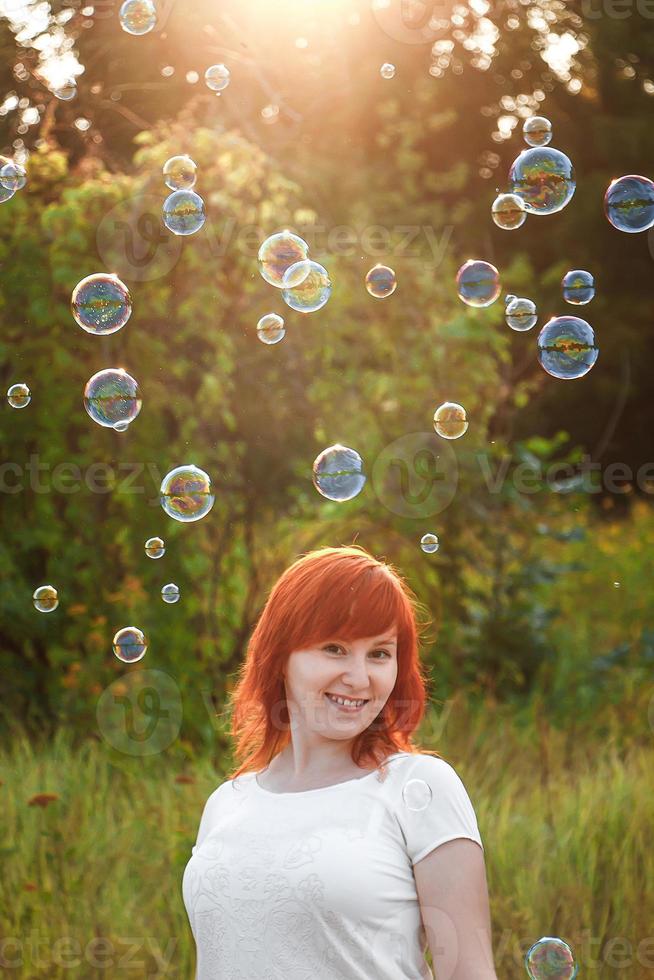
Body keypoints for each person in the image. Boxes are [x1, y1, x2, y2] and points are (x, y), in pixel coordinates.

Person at [182, 545, 498, 979]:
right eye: (334, 648)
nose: (359, 677)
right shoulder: (227, 803)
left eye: (380, 653)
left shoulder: (418, 789)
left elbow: (468, 974)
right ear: (280, 656)